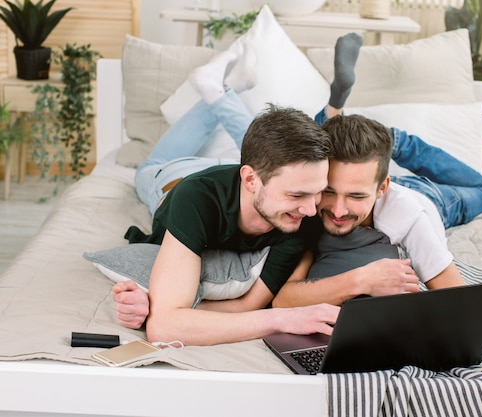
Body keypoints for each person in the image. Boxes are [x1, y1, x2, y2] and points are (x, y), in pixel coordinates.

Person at [115, 45, 339, 345]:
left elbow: (247, 307)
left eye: (318, 193)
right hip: (172, 179)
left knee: (271, 148)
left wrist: (161, 307)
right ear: (250, 180)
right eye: (297, 195)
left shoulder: (299, 216)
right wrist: (282, 319)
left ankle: (225, 88)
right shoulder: (195, 200)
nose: (312, 210)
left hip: (237, 173)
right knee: (147, 168)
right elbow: (165, 327)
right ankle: (222, 88)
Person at [272, 113, 464, 307]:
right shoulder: (309, 202)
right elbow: (284, 300)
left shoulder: (408, 217)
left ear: (382, 189)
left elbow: (458, 300)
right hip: (377, 183)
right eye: (328, 191)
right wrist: (362, 280)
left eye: (356, 196)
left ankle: (402, 142)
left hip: (435, 199)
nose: (338, 211)